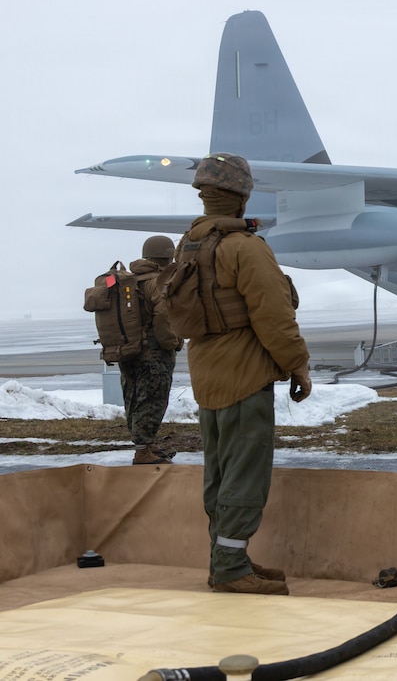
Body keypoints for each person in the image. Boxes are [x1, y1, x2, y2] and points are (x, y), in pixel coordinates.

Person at [181, 152, 312, 595]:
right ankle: (232, 569)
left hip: (207, 375)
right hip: (244, 376)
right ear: (241, 196)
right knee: (245, 475)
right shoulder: (244, 248)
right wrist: (298, 364)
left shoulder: (192, 244)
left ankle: (226, 560)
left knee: (219, 474)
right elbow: (274, 317)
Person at [120, 235, 183, 465]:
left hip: (128, 349)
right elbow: (164, 317)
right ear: (168, 256)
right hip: (153, 353)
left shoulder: (130, 280)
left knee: (133, 397)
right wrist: (173, 342)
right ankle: (143, 450)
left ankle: (144, 445)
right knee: (153, 399)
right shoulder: (158, 282)